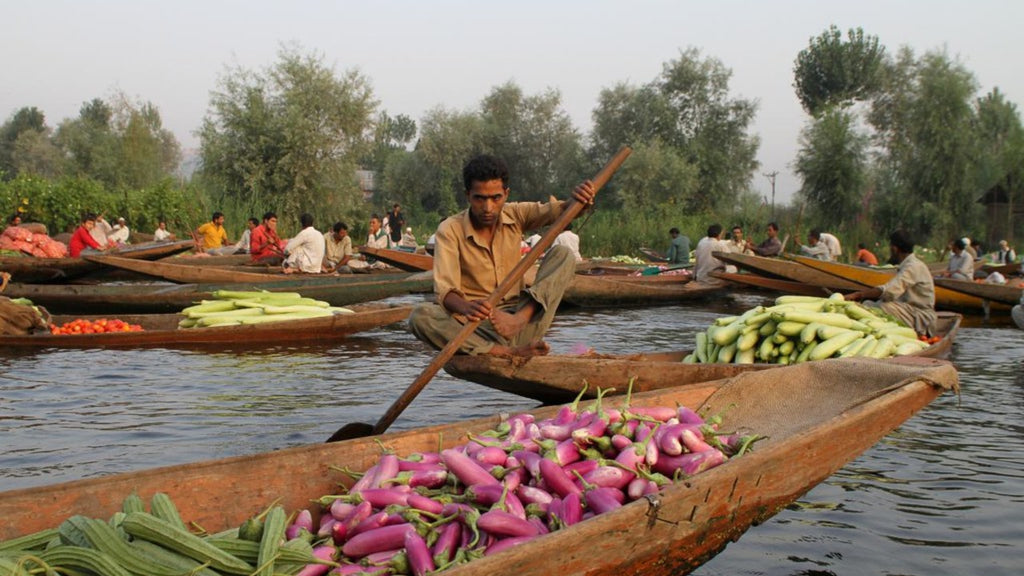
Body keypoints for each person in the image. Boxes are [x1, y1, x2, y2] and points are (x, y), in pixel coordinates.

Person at [408, 154, 595, 358]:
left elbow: (561, 211)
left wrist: (580, 202)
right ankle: (507, 352)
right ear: (468, 195)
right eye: (480, 198)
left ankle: (517, 324)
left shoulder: (515, 214)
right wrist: (468, 307)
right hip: (478, 329)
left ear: (505, 194)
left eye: (495, 198)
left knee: (563, 254)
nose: (488, 208)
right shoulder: (450, 229)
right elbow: (445, 291)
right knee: (420, 316)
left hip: (524, 319)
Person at [846, 229, 936, 336]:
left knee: (882, 307)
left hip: (920, 316)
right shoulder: (908, 265)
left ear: (895, 249)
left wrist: (858, 295)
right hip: (908, 310)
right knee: (868, 304)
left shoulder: (913, 266)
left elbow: (889, 291)